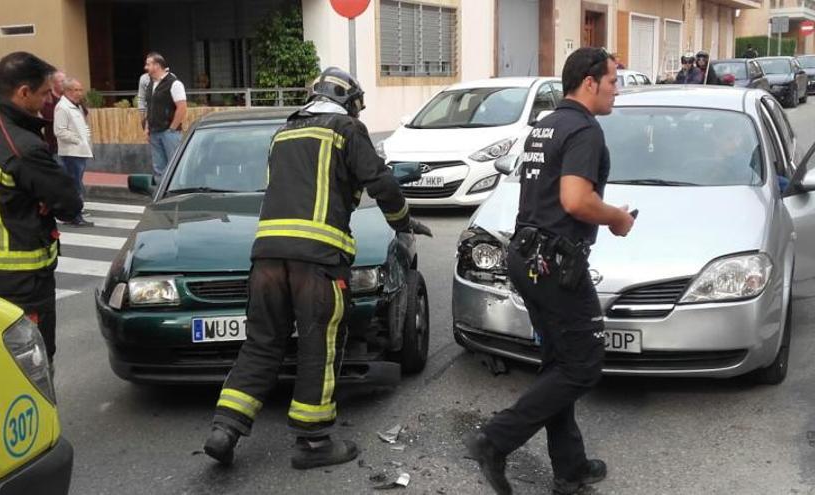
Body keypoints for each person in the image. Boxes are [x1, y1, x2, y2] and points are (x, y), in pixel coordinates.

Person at [203, 66, 432, 471]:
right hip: (319, 262)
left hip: (267, 258)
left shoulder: (284, 134)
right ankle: (314, 443)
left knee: (261, 343)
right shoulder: (345, 130)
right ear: (347, 102)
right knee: (318, 347)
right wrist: (403, 221)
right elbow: (379, 182)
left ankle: (225, 428)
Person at [463, 47, 635, 495]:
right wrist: (617, 217)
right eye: (613, 80)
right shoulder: (583, 130)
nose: (618, 88)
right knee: (583, 366)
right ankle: (494, 440)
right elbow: (576, 200)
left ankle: (570, 468)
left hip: (528, 256)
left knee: (560, 362)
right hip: (555, 265)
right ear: (590, 82)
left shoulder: (546, 125)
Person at [0, 52, 82, 365]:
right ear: (23, 92)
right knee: (31, 361)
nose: (50, 98)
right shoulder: (22, 147)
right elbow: (70, 204)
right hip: (21, 280)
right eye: (44, 93)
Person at [54, 77, 94, 227]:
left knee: (76, 184)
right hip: (71, 153)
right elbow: (59, 131)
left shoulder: (75, 106)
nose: (79, 93)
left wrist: (85, 139)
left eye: (80, 90)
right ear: (68, 91)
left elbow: (82, 126)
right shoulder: (62, 107)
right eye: (76, 90)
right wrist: (78, 140)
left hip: (80, 151)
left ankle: (73, 215)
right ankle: (75, 216)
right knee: (74, 185)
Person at [143, 53, 186, 179]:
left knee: (175, 165)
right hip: (154, 132)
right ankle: (160, 194)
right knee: (159, 168)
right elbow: (149, 107)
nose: (146, 67)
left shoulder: (174, 83)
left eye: (148, 64)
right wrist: (147, 127)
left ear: (157, 65)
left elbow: (182, 107)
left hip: (169, 133)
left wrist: (172, 128)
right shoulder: (150, 84)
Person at [41, 70, 66, 159]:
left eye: (65, 81)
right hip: (55, 147)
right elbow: (49, 117)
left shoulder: (68, 97)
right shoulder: (48, 99)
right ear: (53, 83)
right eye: (61, 81)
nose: (65, 84)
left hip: (72, 147)